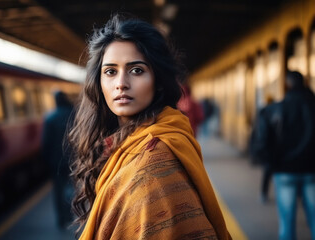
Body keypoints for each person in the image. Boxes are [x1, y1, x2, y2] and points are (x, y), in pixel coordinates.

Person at [68, 14, 231, 240]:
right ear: (98, 82)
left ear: (158, 79)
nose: (121, 83)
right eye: (110, 71)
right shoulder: (119, 144)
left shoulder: (155, 162)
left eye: (136, 70)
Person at [251, 71, 315, 240]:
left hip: (284, 170)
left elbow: (261, 142)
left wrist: (271, 163)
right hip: (312, 171)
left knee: (287, 224)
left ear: (286, 86)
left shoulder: (274, 110)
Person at [42, 91, 74, 228]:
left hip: (56, 161)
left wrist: (46, 161)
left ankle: (61, 218)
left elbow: (46, 143)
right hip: (72, 159)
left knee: (58, 190)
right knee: (71, 187)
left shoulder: (50, 118)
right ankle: (70, 214)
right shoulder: (73, 115)